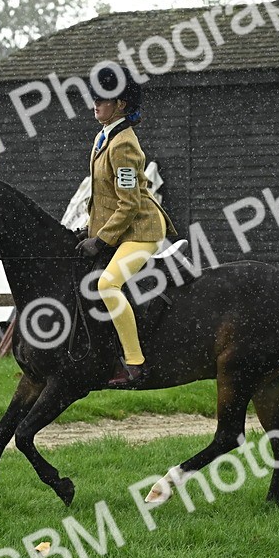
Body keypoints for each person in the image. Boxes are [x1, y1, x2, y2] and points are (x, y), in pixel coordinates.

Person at [75, 66, 177, 386]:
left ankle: (135, 363)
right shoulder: (103, 137)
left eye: (102, 99)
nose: (95, 103)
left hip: (143, 230)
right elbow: (103, 198)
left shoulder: (124, 145)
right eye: (94, 97)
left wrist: (101, 240)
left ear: (120, 104)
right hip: (122, 227)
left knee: (107, 285)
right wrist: (90, 230)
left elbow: (129, 204)